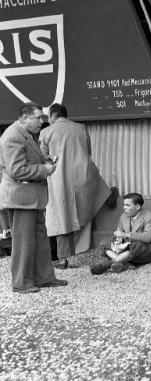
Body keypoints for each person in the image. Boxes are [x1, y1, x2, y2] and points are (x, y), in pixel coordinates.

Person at [0, 102, 67, 293]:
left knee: (39, 238)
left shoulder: (24, 134)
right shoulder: (13, 137)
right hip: (21, 198)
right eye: (37, 117)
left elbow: (25, 161)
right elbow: (16, 170)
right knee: (23, 241)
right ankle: (21, 283)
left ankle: (44, 278)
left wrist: (44, 161)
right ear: (24, 118)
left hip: (30, 197)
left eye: (42, 117)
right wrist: (44, 169)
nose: (41, 121)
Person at [39, 103, 112, 269]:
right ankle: (108, 197)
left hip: (58, 181)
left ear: (52, 116)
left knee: (59, 219)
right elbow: (88, 153)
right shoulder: (81, 128)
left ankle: (61, 258)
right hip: (82, 178)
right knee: (83, 209)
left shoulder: (46, 132)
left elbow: (42, 160)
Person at [90, 193, 151, 274]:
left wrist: (126, 235)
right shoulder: (123, 216)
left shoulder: (150, 217)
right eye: (124, 205)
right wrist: (116, 240)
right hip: (125, 249)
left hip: (144, 251)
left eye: (127, 205)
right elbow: (119, 234)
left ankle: (109, 263)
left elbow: (148, 237)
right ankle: (122, 263)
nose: (124, 207)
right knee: (105, 242)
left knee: (137, 245)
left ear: (137, 207)